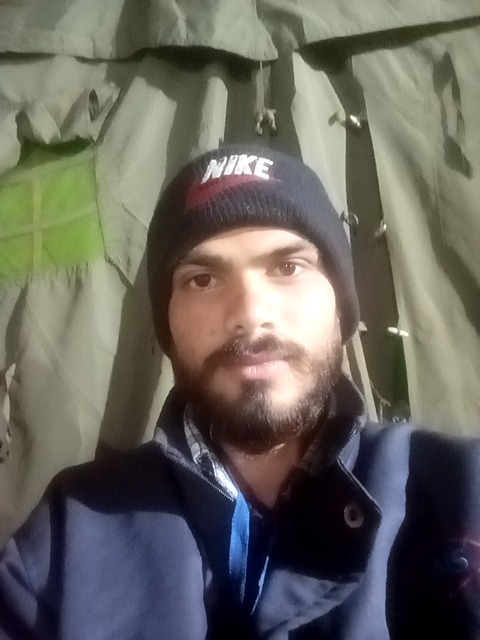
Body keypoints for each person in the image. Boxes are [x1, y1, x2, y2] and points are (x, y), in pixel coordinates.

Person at [0, 144, 479, 640]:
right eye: (203, 279)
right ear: (167, 325)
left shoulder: (462, 491)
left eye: (288, 267)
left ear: (341, 303)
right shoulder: (68, 534)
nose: (250, 313)